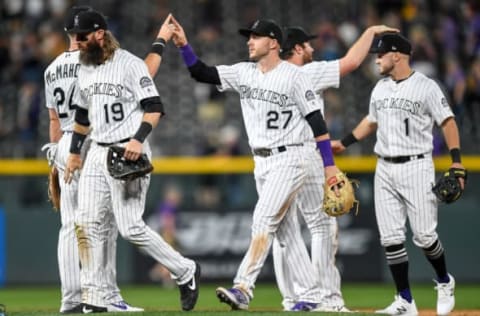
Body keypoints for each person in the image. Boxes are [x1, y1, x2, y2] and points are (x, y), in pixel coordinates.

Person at [170, 16, 343, 311]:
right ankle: (312, 294)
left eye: (256, 36)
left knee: (263, 219)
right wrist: (185, 45)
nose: (249, 40)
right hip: (261, 162)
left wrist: (329, 166)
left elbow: (317, 122)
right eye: (248, 36)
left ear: (273, 42)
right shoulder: (244, 72)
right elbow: (201, 73)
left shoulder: (295, 76)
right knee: (286, 234)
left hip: (291, 158)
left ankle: (243, 287)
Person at [63, 10, 200, 313]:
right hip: (97, 152)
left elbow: (154, 107)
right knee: (86, 225)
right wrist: (74, 152)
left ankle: (184, 270)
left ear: (100, 34)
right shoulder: (83, 68)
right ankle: (96, 298)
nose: (77, 41)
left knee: (130, 228)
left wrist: (138, 139)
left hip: (128, 151)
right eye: (74, 35)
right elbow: (82, 116)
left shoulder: (130, 65)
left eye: (81, 35)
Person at [332, 32, 466, 316]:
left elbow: (448, 122)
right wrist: (344, 142)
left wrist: (456, 163)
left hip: (417, 165)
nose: (377, 59)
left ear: (397, 55)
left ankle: (444, 281)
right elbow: (371, 121)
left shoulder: (426, 87)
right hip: (384, 167)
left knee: (425, 236)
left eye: (381, 54)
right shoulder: (379, 88)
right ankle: (405, 300)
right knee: (390, 238)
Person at [273, 24, 398, 312]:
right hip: (306, 155)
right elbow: (352, 62)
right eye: (308, 45)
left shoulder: (269, 76)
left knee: (283, 229)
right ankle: (327, 300)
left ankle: (292, 298)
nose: (312, 49)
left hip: (274, 160)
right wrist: (372, 31)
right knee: (323, 226)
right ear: (297, 48)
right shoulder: (305, 73)